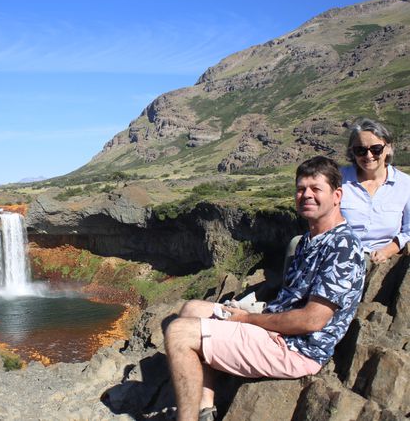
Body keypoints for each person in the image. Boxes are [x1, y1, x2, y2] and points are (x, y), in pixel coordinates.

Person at [164, 156, 365, 421]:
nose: (306, 195)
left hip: (295, 348)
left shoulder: (343, 247)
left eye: (316, 189)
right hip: (276, 330)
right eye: (301, 189)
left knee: (178, 333)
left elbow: (312, 320)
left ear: (337, 195)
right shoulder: (309, 239)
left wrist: (248, 320)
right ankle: (205, 408)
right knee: (191, 308)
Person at [341, 118, 410, 263]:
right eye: (360, 150)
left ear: (388, 148)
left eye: (376, 149)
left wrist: (388, 250)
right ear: (352, 152)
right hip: (339, 250)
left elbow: (409, 230)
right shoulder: (338, 179)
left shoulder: (405, 185)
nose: (368, 155)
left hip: (374, 256)